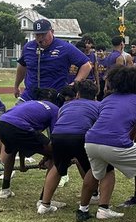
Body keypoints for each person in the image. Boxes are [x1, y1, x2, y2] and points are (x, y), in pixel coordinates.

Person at [77, 64, 136, 222]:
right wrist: (135, 148)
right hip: (115, 143)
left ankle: (83, 210)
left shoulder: (107, 99)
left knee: (95, 172)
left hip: (91, 140)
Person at [39, 80, 100, 214]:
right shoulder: (98, 106)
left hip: (58, 135)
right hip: (80, 136)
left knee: (57, 167)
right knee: (90, 168)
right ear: (95, 95)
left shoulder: (66, 106)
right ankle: (94, 196)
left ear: (77, 94)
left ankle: (44, 204)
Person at [0, 90, 60, 198]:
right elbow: (54, 140)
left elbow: (23, 141)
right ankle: (44, 201)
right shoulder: (54, 109)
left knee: (11, 151)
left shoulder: (31, 103)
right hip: (18, 126)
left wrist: (22, 165)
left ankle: (5, 190)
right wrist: (48, 156)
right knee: (56, 154)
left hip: (2, 124)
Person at [14, 19, 93, 101]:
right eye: (37, 35)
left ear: (52, 31)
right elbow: (22, 66)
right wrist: (16, 85)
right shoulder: (28, 47)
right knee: (14, 112)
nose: (41, 38)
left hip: (53, 97)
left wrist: (74, 84)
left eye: (43, 34)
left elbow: (86, 65)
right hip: (30, 94)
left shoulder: (64, 47)